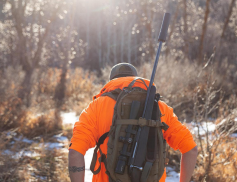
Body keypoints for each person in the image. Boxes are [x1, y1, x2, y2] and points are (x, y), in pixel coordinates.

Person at [69, 63, 198, 182]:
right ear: (135, 78)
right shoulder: (159, 107)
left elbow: (75, 152)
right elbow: (190, 150)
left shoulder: (97, 107)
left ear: (112, 81)